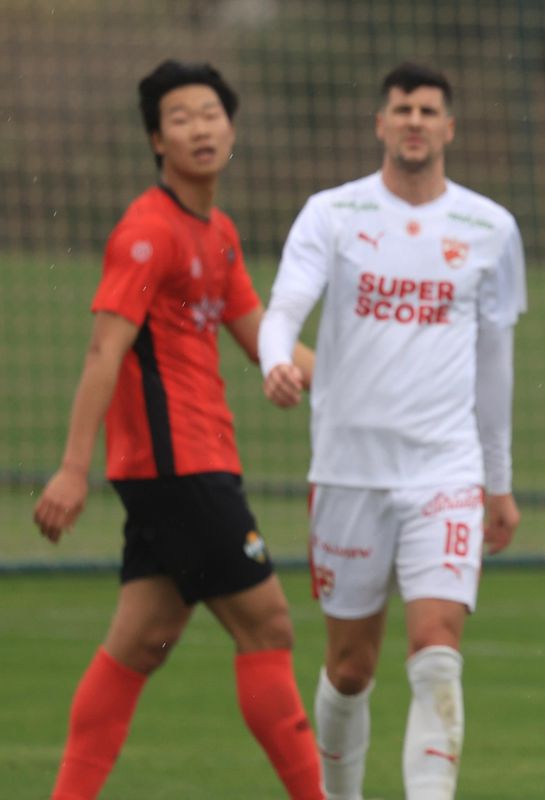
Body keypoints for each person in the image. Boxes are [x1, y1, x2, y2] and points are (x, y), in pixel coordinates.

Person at [31, 60, 322, 800]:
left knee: (140, 643)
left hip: (188, 465)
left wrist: (368, 384)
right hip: (180, 467)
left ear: (231, 128)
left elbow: (263, 339)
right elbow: (104, 351)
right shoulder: (146, 232)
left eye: (210, 114)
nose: (199, 128)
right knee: (269, 626)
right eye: (180, 118)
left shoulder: (217, 232)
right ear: (157, 140)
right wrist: (72, 468)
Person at [258, 62, 525, 800]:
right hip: (348, 472)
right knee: (350, 668)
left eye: (428, 110)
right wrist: (276, 361)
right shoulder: (332, 214)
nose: (414, 121)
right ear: (381, 124)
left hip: (446, 471)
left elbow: (495, 365)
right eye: (402, 109)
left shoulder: (490, 228)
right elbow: (284, 310)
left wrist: (497, 482)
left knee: (437, 648)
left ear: (449, 128)